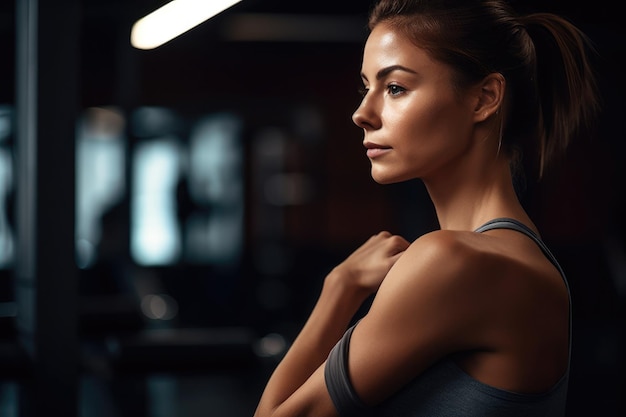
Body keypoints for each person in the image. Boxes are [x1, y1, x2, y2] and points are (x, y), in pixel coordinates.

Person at [253, 0, 600, 415]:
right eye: (367, 88)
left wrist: (339, 289)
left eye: (395, 87)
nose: (362, 114)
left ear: (484, 98)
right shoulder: (525, 258)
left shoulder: (451, 261)